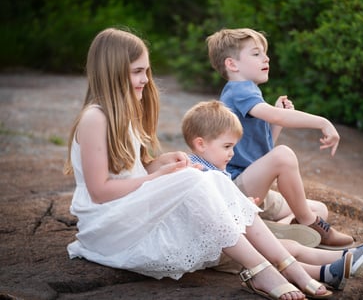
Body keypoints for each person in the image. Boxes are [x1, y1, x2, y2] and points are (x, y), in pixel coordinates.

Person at [63, 27, 346, 300]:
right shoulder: (95, 118)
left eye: (146, 71)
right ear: (112, 73)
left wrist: (159, 163)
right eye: (138, 72)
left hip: (133, 210)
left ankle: (287, 264)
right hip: (111, 225)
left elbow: (131, 169)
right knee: (195, 180)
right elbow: (100, 191)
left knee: (207, 178)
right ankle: (265, 270)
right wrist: (160, 177)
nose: (146, 80)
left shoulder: (125, 115)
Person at [181, 99, 363, 287]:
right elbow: (210, 213)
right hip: (221, 246)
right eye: (227, 146)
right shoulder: (200, 173)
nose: (232, 153)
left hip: (231, 238)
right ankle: (332, 267)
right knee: (288, 249)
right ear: (201, 144)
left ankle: (343, 261)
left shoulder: (213, 168)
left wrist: (244, 204)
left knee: (290, 243)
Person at [206, 28, 354, 249]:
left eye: (265, 53)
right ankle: (306, 223)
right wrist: (323, 122)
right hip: (236, 189)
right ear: (232, 64)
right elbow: (277, 145)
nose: (266, 58)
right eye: (256, 53)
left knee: (319, 209)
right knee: (286, 158)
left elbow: (263, 155)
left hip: (253, 187)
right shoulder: (239, 91)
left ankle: (276, 232)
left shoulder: (249, 92)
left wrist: (276, 124)